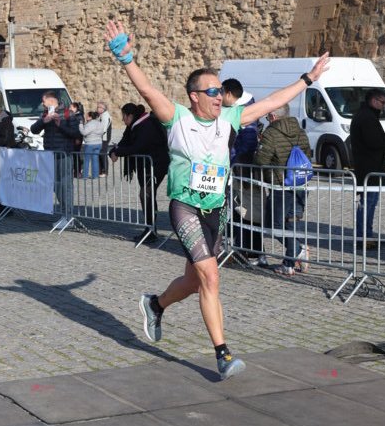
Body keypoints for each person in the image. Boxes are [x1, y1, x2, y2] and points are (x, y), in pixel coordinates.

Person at [105, 19, 329, 380]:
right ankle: (223, 355)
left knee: (194, 281)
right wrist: (126, 57)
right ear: (195, 96)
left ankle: (156, 305)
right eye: (212, 91)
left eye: (220, 90)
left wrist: (308, 79)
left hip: (216, 210)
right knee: (210, 278)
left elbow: (273, 101)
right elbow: (147, 90)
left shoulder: (230, 118)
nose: (218, 96)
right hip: (185, 207)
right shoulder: (176, 118)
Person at [255, 104, 311, 276]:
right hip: (300, 184)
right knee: (292, 223)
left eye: (267, 117)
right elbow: (308, 156)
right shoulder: (300, 131)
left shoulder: (271, 133)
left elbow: (261, 161)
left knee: (274, 224)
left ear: (273, 116)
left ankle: (298, 250)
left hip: (280, 185)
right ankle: (289, 263)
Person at [109, 102, 170, 244]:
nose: (123, 119)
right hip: (144, 166)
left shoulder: (147, 125)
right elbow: (124, 141)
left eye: (124, 116)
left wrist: (118, 152)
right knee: (147, 195)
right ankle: (150, 229)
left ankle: (151, 230)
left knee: (146, 194)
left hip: (155, 165)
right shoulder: (133, 125)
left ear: (130, 116)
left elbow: (138, 147)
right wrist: (114, 150)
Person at [350, 88, 385, 249]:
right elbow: (374, 142)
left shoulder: (367, 115)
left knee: (369, 204)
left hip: (370, 169)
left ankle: (367, 236)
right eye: (382, 102)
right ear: (374, 101)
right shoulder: (367, 117)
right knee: (367, 204)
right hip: (369, 170)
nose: (384, 106)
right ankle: (363, 238)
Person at [30, 91, 80, 223]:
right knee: (56, 185)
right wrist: (43, 121)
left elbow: (76, 134)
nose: (42, 104)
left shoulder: (69, 114)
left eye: (43, 101)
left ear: (51, 101)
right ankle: (64, 214)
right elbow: (33, 129)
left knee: (65, 185)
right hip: (50, 155)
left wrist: (60, 125)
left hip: (64, 154)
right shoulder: (45, 114)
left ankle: (68, 217)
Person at [221, 78, 258, 165]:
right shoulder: (239, 106)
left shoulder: (244, 110)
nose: (219, 97)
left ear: (228, 94)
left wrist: (238, 162)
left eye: (221, 93)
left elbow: (249, 139)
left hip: (237, 161)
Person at [79, 110, 106, 179]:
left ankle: (85, 175)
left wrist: (81, 125)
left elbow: (84, 132)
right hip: (98, 143)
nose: (85, 117)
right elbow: (102, 132)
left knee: (86, 160)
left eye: (87, 116)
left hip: (90, 143)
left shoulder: (90, 124)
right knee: (95, 159)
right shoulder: (99, 123)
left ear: (90, 117)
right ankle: (95, 175)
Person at [96, 101, 112, 176]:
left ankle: (104, 171)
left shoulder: (105, 116)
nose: (97, 108)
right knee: (100, 153)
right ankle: (100, 171)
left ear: (103, 108)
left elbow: (103, 129)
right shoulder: (101, 115)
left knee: (103, 153)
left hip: (104, 138)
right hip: (101, 137)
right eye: (97, 107)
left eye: (99, 107)